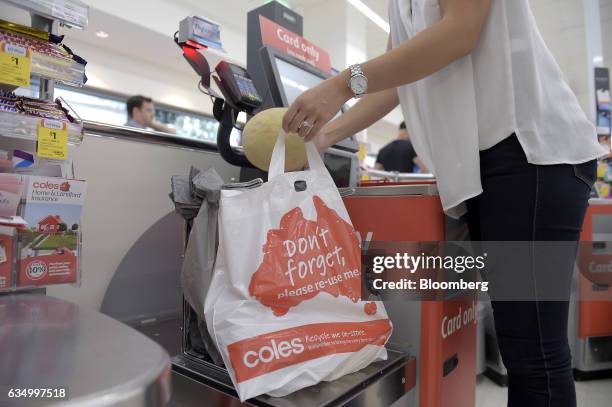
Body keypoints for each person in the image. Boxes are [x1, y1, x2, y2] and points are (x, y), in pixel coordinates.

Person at [282, 1, 607, 406]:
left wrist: (342, 84)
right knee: (522, 348)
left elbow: (460, 31)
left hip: (530, 153)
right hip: (489, 166)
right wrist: (327, 136)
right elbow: (398, 79)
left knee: (534, 351)